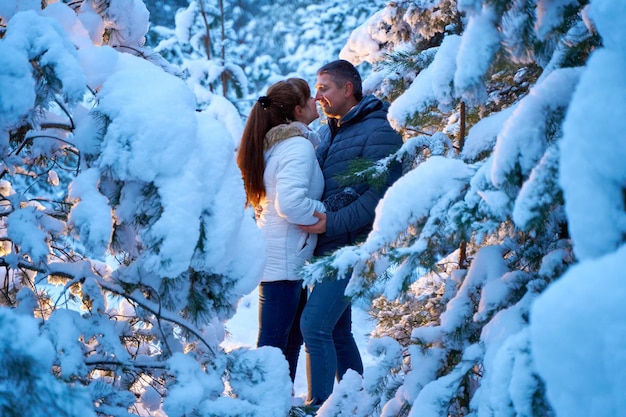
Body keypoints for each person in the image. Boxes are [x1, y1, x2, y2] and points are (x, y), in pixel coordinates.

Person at [299, 60, 403, 407]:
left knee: (314, 326)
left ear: (348, 88)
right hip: (327, 247)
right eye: (317, 89)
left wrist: (331, 223)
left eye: (325, 88)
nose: (318, 96)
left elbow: (378, 198)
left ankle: (321, 406)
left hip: (351, 246)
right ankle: (357, 403)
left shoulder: (380, 130)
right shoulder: (333, 130)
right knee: (338, 333)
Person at [236, 78, 326, 385]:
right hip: (285, 262)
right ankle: (263, 405)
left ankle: (277, 404)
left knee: (286, 344)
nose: (317, 100)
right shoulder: (297, 146)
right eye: (310, 97)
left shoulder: (279, 145)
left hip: (285, 259)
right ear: (298, 110)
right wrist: (327, 214)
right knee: (274, 348)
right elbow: (290, 204)